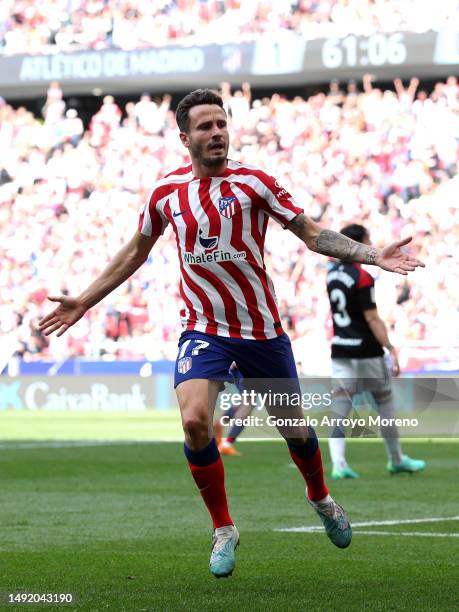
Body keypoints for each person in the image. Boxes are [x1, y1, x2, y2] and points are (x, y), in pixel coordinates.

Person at [38, 89, 424, 578]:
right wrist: (85, 300)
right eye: (205, 126)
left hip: (262, 332)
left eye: (221, 123)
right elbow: (134, 252)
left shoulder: (256, 183)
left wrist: (372, 255)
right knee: (196, 422)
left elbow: (311, 233)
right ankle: (224, 527)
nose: (217, 132)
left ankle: (321, 497)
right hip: (202, 330)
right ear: (185, 138)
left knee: (296, 430)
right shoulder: (166, 193)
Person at [326, 223, 426, 480]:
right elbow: (371, 318)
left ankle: (338, 464)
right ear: (359, 242)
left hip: (340, 347)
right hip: (366, 350)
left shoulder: (332, 274)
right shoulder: (362, 276)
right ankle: (396, 460)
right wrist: (390, 348)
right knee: (384, 401)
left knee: (340, 405)